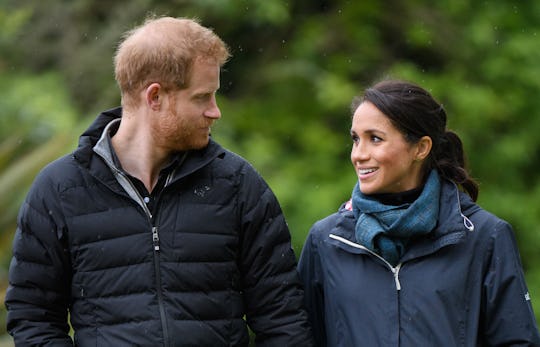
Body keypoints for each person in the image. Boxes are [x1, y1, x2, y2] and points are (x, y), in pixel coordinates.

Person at [5, 16, 313, 346]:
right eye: (202, 97)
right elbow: (33, 319)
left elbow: (284, 320)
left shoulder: (238, 185)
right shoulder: (59, 190)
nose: (215, 111)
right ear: (155, 97)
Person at [298, 79, 540, 346]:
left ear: (421, 148)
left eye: (375, 139)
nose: (358, 154)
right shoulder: (326, 241)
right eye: (356, 139)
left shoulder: (484, 237)